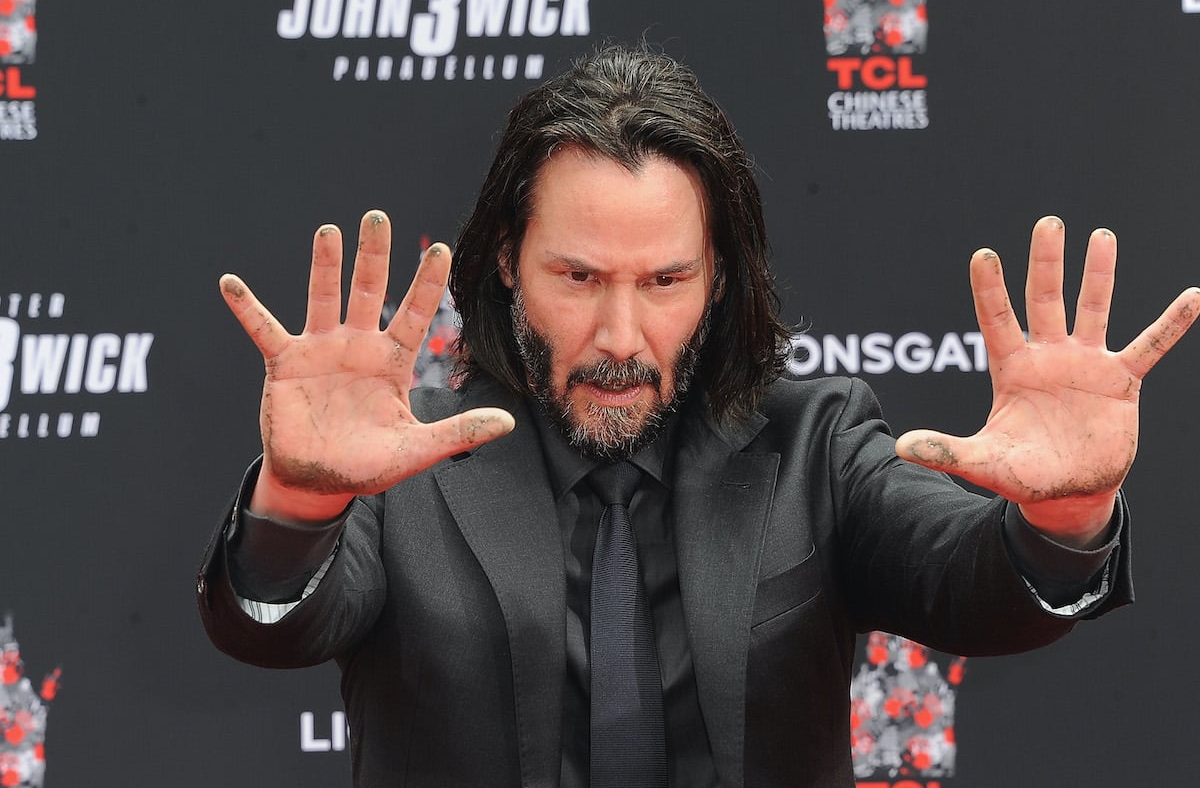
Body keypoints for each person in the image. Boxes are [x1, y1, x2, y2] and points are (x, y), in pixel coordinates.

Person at [196, 45, 1199, 787]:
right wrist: (300, 500)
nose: (621, 333)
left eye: (666, 278)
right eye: (578, 276)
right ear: (505, 263)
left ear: (719, 278)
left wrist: (1068, 518)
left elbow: (971, 584)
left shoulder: (816, 444)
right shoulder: (402, 460)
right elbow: (274, 623)